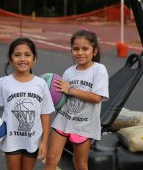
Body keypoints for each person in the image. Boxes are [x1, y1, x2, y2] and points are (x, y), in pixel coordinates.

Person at [0, 37, 55, 170]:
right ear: (10, 59)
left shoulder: (41, 84)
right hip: (11, 139)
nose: (22, 59)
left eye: (27, 55)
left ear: (34, 59)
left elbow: (45, 115)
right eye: (17, 55)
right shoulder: (3, 83)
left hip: (33, 139)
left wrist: (44, 142)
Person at [44, 29, 109, 170]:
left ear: (95, 51)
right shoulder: (69, 72)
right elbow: (62, 97)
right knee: (51, 159)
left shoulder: (99, 70)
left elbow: (97, 98)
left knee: (80, 164)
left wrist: (70, 90)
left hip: (84, 125)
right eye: (76, 49)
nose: (80, 52)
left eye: (85, 48)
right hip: (63, 120)